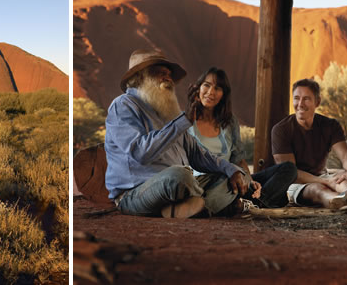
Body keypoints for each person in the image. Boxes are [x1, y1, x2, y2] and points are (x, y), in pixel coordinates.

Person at [104, 49, 251, 218]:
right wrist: (183, 122)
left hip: (180, 189)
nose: (168, 79)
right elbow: (140, 153)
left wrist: (232, 170)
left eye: (169, 74)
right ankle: (208, 205)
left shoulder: (167, 112)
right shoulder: (123, 105)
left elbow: (198, 155)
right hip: (136, 193)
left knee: (227, 174)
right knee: (179, 175)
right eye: (160, 73)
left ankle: (189, 208)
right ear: (140, 77)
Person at [185, 67, 296, 209]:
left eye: (218, 88)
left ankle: (253, 201)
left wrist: (249, 180)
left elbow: (238, 159)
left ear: (223, 95)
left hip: (234, 179)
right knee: (226, 180)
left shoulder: (229, 122)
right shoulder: (186, 122)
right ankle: (259, 202)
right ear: (198, 88)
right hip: (205, 184)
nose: (211, 92)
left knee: (289, 169)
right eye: (206, 85)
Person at [273, 79, 347, 211]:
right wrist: (327, 181)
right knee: (317, 189)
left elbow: (346, 154)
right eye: (296, 98)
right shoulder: (281, 130)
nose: (300, 104)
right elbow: (291, 173)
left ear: (317, 102)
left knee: (344, 182)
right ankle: (345, 202)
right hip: (294, 182)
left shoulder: (330, 125)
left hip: (323, 176)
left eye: (306, 99)